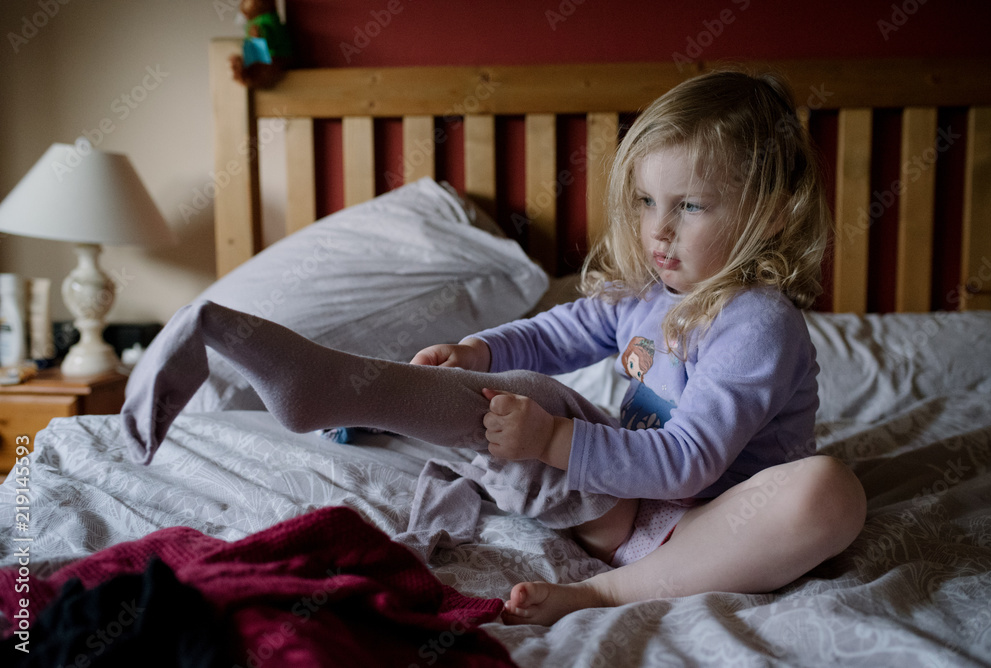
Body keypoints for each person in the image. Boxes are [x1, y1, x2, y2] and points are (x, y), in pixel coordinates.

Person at [121, 70, 866, 627]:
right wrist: (480, 352)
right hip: (616, 509)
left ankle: (605, 591)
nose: (659, 230)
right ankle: (343, 386)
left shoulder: (757, 323)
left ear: (770, 214)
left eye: (690, 206)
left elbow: (693, 462)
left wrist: (554, 441)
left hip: (712, 522)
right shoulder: (646, 291)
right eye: (645, 202)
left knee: (826, 493)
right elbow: (558, 332)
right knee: (521, 396)